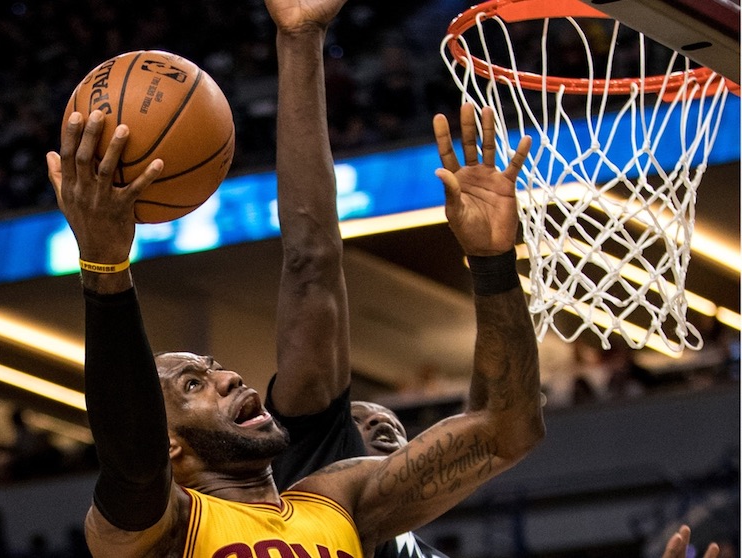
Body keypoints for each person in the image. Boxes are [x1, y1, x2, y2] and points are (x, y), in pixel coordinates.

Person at [45, 1, 541, 557]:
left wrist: (493, 261)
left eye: (212, 368)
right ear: (169, 444)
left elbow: (506, 429)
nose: (229, 377)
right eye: (193, 385)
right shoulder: (159, 531)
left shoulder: (339, 499)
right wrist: (104, 264)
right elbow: (132, 460)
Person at [262, 6, 446, 554]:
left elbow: (511, 425)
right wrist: (299, 42)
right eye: (357, 420)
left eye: (389, 421)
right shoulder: (314, 467)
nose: (382, 419)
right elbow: (310, 262)